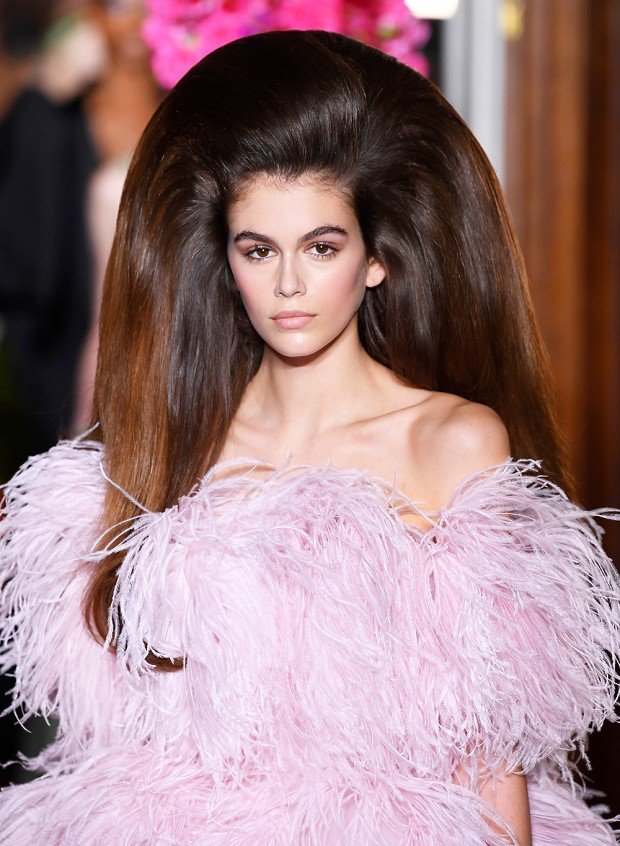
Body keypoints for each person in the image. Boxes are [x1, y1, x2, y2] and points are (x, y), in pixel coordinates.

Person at [0, 28, 619, 845]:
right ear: (226, 261)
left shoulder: (448, 441)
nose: (288, 284)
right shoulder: (176, 442)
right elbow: (119, 731)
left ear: (375, 259)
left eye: (321, 247)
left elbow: (483, 736)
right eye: (259, 250)